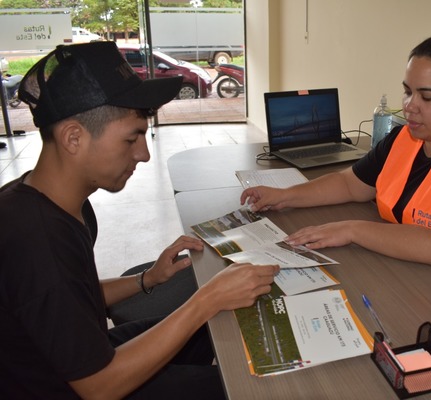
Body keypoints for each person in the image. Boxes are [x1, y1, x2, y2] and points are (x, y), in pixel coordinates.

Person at [0, 41, 279, 399]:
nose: (144, 154)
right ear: (74, 137)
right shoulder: (37, 239)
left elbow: (69, 296)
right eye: (132, 138)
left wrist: (148, 279)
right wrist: (206, 298)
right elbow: (98, 387)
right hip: (77, 384)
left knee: (207, 328)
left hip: (73, 349)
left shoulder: (46, 198)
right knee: (246, 389)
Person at [241, 33, 431, 301]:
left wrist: (351, 230)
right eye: (407, 91)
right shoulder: (405, 136)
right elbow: (350, 184)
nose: (410, 106)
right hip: (412, 274)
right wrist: (285, 195)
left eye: (427, 96)